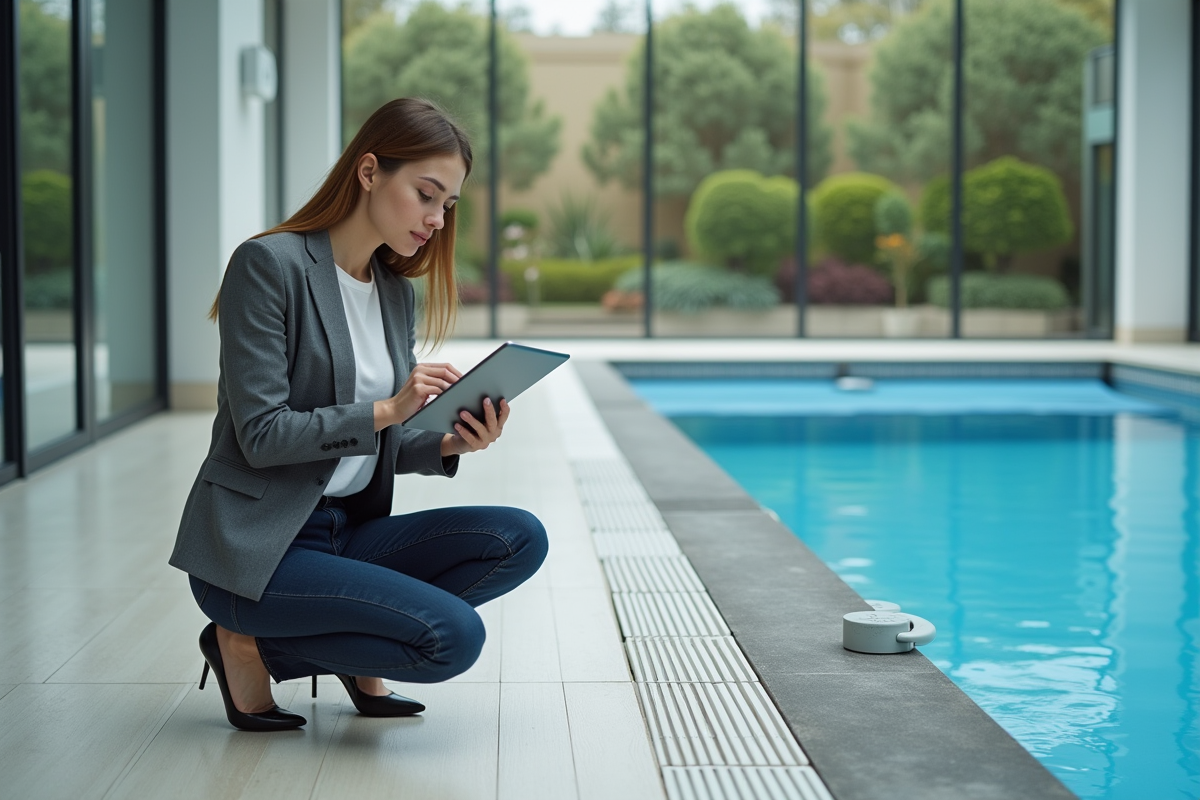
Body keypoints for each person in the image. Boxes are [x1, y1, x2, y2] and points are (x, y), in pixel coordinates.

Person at [170, 98, 548, 731]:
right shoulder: (268, 266)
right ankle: (242, 639)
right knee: (450, 637)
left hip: (349, 534)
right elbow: (261, 436)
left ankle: (298, 642)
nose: (435, 219)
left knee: (519, 536)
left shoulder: (393, 291)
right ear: (369, 171)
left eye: (447, 206)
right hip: (261, 548)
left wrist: (453, 442)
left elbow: (384, 443)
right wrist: (388, 408)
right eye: (426, 195)